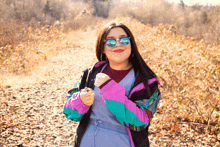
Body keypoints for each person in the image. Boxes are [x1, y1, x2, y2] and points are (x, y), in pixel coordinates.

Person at [63, 20, 162, 147]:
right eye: (110, 42)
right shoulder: (90, 74)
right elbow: (68, 111)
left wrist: (109, 89)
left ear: (131, 45)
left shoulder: (145, 82)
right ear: (102, 48)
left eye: (124, 40)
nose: (118, 45)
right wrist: (80, 100)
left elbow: (141, 121)